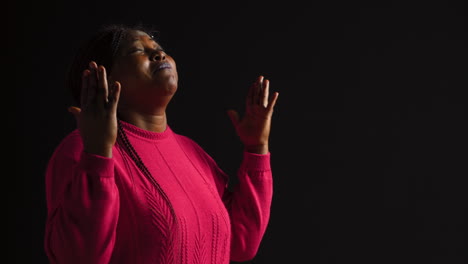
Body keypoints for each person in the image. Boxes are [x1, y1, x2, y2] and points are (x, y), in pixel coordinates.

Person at [43, 23, 279, 264]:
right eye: (137, 51)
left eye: (158, 47)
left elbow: (242, 243)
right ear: (103, 78)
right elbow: (78, 256)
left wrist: (257, 149)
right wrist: (98, 154)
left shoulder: (191, 151)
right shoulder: (82, 149)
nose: (158, 54)